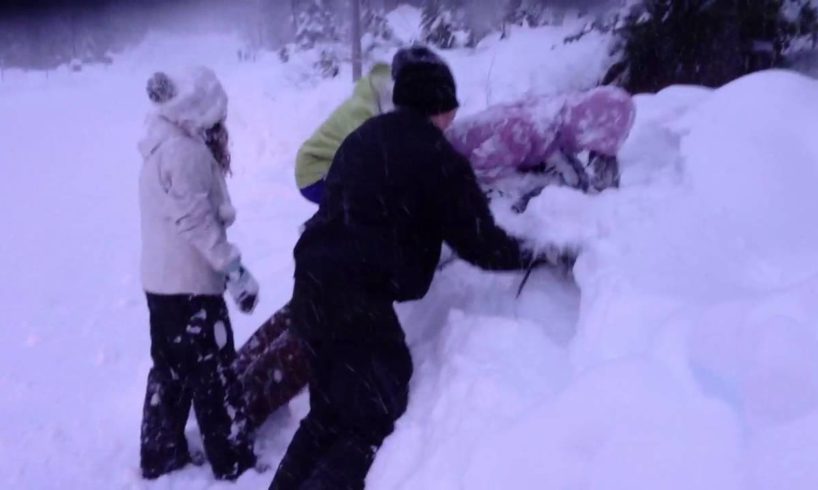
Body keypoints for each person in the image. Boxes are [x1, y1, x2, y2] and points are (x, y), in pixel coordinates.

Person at [269, 46, 572, 490]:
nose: (454, 117)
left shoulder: (365, 137)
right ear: (440, 106)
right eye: (451, 107)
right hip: (355, 301)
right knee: (369, 418)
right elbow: (479, 242)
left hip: (312, 285)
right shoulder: (437, 157)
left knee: (328, 415)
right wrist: (540, 250)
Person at [137, 67, 260, 480]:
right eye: (217, 116)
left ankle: (160, 452)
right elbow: (196, 222)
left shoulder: (160, 146)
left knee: (171, 371)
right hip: (191, 290)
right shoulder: (184, 153)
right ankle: (235, 462)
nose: (221, 125)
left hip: (160, 285)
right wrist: (234, 269)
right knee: (215, 376)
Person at [295, 62, 393, 204]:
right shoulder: (361, 114)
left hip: (320, 168)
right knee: (365, 205)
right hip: (314, 174)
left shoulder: (364, 102)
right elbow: (371, 157)